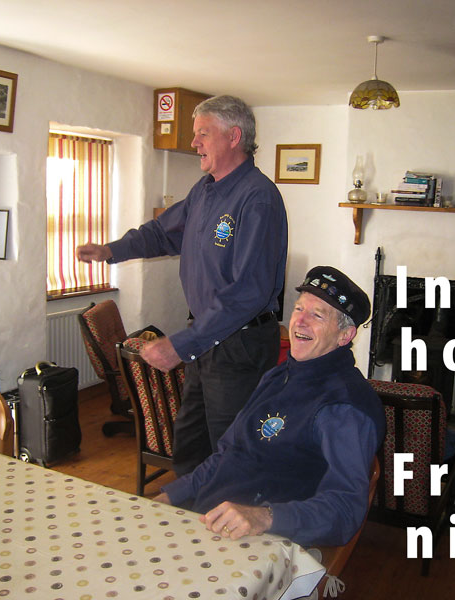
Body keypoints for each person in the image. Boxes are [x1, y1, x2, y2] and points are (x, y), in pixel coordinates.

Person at [76, 95, 287, 476]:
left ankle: (231, 514)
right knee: (190, 448)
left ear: (233, 136)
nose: (194, 143)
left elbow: (248, 292)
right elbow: (161, 233)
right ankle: (189, 511)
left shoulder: (258, 198)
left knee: (230, 455)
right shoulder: (204, 190)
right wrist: (111, 250)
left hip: (239, 345)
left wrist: (181, 344)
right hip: (207, 338)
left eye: (203, 134)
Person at [153, 266, 386, 548]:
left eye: (317, 315)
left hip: (268, 542)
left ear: (345, 335)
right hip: (210, 519)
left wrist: (265, 517)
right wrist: (170, 495)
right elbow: (228, 454)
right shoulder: (278, 376)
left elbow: (345, 511)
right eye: (299, 309)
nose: (300, 321)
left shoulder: (343, 406)